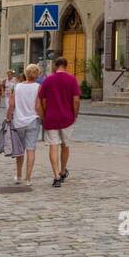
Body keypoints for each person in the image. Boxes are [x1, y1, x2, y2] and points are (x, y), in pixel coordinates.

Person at [37, 58, 81, 187]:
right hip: (67, 118)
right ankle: (62, 171)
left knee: (53, 146)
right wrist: (75, 114)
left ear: (56, 66)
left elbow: (43, 100)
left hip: (51, 117)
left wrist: (45, 114)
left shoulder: (48, 80)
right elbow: (76, 100)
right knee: (65, 146)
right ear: (66, 66)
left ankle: (56, 176)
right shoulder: (72, 79)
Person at [7, 64, 42, 185]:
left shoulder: (17, 87)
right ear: (37, 75)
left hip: (19, 121)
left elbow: (11, 105)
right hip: (33, 120)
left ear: (26, 74)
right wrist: (43, 117)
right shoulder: (39, 87)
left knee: (19, 150)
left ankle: (18, 175)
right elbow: (38, 106)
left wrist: (8, 118)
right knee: (31, 149)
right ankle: (28, 178)